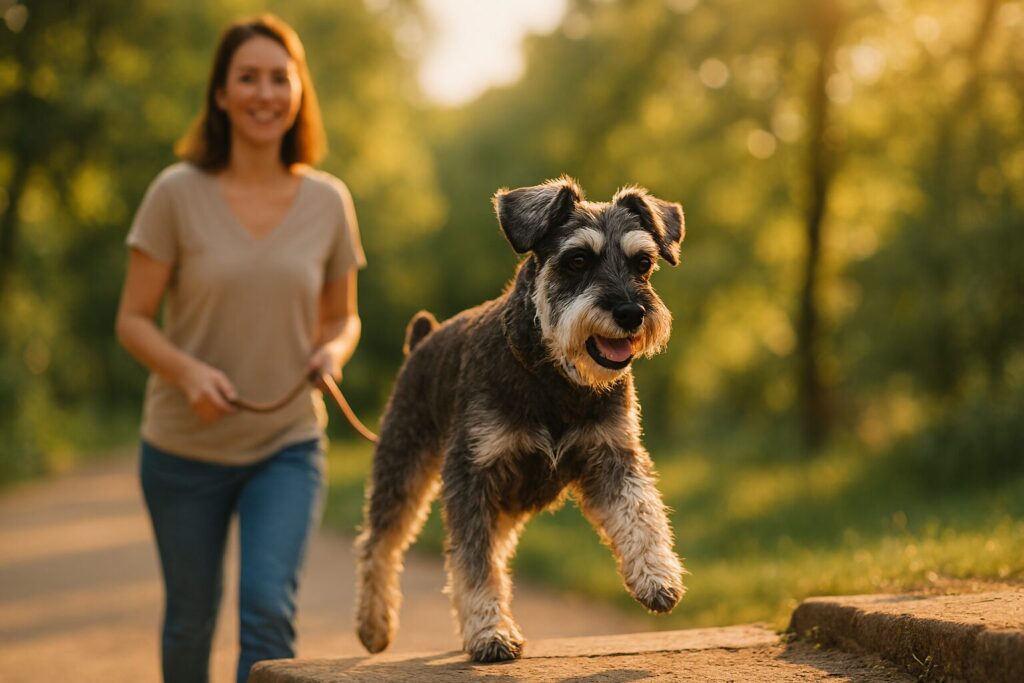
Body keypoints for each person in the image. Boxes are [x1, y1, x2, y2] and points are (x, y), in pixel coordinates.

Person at [115, 14, 364, 683]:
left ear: (298, 91)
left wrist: (331, 352)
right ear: (221, 95)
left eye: (278, 78)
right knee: (190, 619)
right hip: (180, 451)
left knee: (267, 614)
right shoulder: (175, 193)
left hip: (285, 446)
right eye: (246, 78)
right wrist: (188, 370)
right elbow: (133, 319)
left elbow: (345, 318)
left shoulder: (328, 200)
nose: (264, 93)